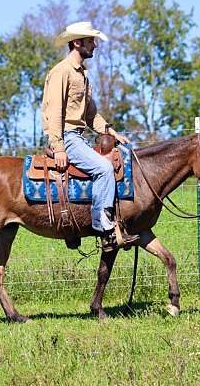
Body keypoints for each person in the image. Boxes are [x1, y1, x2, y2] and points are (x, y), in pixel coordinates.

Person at [41, 21, 139, 251]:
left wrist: (110, 132)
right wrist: (59, 147)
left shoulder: (83, 75)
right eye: (91, 41)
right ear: (77, 43)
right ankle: (103, 227)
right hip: (68, 137)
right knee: (104, 169)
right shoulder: (61, 72)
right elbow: (53, 111)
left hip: (78, 136)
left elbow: (91, 113)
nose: (94, 45)